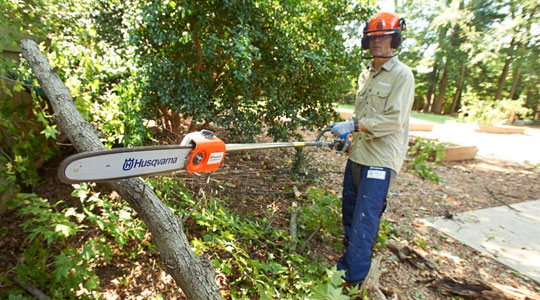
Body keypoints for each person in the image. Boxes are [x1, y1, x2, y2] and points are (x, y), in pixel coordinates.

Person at [329, 11, 415, 285]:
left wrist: (353, 126)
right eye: (373, 37)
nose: (378, 42)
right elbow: (364, 116)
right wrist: (349, 139)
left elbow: (393, 120)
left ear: (395, 39)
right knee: (350, 209)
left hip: (380, 159)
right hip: (359, 154)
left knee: (366, 217)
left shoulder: (402, 75)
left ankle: (352, 278)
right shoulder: (365, 75)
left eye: (384, 36)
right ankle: (349, 259)